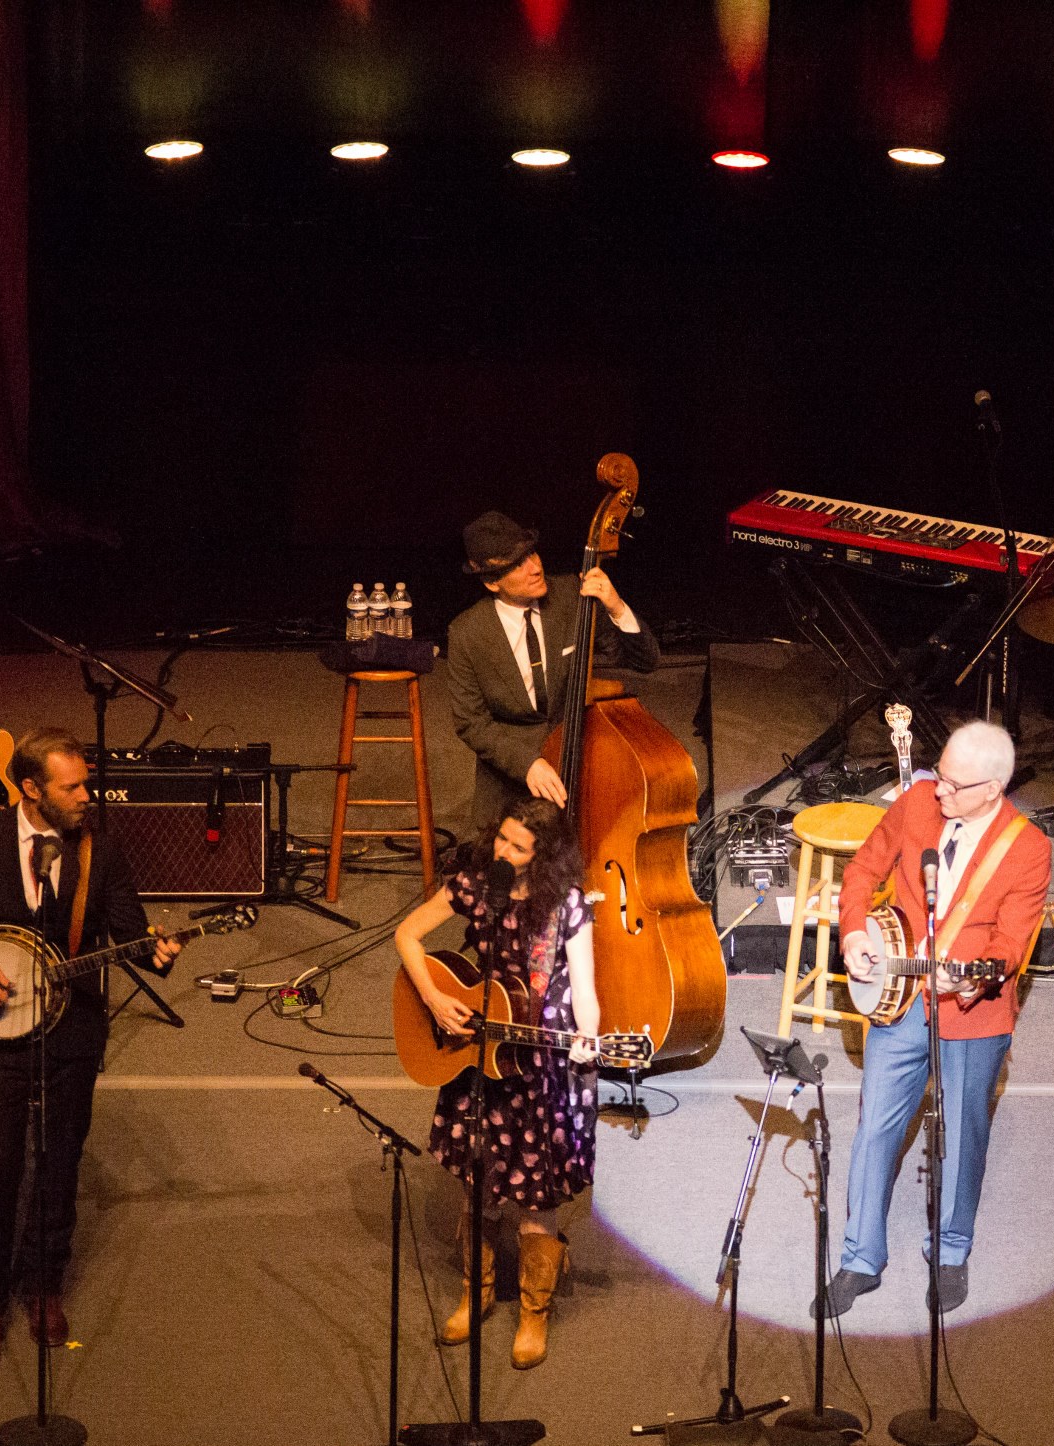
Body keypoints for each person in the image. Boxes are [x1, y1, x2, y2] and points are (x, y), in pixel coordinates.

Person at [0, 726, 182, 1371]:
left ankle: (46, 1286)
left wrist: (159, 956)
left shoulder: (98, 850)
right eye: (72, 786)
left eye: (86, 782)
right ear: (31, 789)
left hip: (74, 1027)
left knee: (58, 1165)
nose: (88, 795)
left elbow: (132, 934)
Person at [815, 720, 1051, 1317]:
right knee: (875, 1128)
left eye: (952, 783)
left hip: (973, 1011)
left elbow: (1011, 945)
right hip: (898, 996)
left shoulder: (1027, 848)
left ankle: (950, 1250)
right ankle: (860, 1258)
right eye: (938, 775)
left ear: (993, 788)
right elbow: (864, 870)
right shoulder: (918, 800)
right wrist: (853, 935)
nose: (936, 790)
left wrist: (968, 977)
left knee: (962, 1133)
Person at [393, 797, 600, 1369]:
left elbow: (584, 988)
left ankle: (534, 1311)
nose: (504, 853)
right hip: (477, 1051)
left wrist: (588, 1033)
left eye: (518, 847)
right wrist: (435, 1000)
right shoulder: (477, 884)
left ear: (545, 856)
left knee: (535, 1195)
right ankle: (476, 1292)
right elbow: (408, 936)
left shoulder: (567, 904)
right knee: (477, 1184)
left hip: (535, 1059)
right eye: (502, 840)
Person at [444, 509, 660, 835]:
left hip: (583, 762)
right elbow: (471, 723)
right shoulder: (466, 633)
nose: (534, 567)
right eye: (517, 564)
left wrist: (616, 606)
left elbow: (645, 661)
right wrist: (528, 763)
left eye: (531, 553)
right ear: (492, 582)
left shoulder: (572, 597)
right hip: (512, 779)